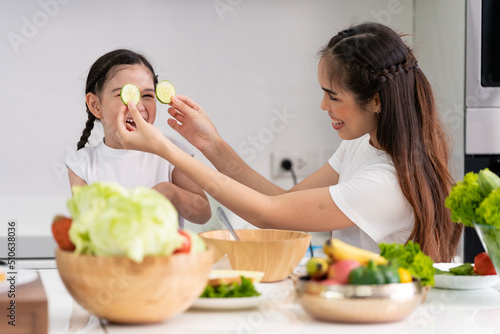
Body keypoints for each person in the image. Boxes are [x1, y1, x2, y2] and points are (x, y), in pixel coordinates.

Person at [115, 23, 462, 262]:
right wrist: (211, 144)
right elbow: (280, 201)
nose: (324, 106)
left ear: (375, 101)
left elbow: (270, 215)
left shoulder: (386, 183)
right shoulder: (362, 144)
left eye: (333, 96)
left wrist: (164, 148)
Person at [66, 49, 211, 225]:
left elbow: (203, 213)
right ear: (96, 105)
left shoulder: (171, 150)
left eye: (148, 95)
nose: (138, 107)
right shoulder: (82, 164)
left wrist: (169, 191)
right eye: (125, 95)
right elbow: (85, 224)